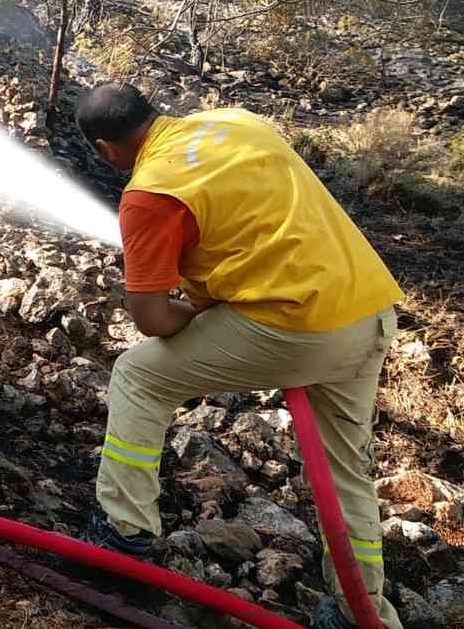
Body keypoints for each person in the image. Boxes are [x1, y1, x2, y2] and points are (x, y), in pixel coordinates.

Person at [74, 83, 405, 629]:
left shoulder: (150, 192)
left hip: (294, 326)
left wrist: (200, 314)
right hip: (367, 310)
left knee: (138, 375)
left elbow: (152, 320)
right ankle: (363, 611)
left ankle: (122, 533)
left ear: (107, 149)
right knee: (347, 472)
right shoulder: (236, 120)